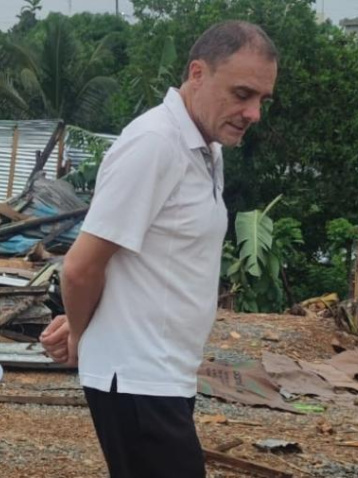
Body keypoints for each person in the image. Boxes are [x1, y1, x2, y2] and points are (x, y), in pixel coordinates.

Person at [40, 20, 279, 478]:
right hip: (135, 379)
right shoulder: (155, 144)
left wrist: (81, 321)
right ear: (197, 74)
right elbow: (81, 267)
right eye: (242, 93)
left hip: (163, 375)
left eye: (261, 100)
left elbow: (139, 261)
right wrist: (80, 334)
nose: (253, 113)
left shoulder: (205, 148)